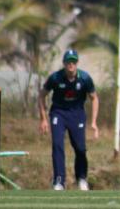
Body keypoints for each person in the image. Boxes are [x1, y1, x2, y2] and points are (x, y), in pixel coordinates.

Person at [38, 49, 100, 191]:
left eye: (73, 61)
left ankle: (81, 178)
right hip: (58, 113)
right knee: (57, 145)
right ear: (64, 63)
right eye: (68, 62)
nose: (70, 64)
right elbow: (41, 95)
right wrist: (43, 119)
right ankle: (59, 181)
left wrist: (94, 122)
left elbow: (94, 98)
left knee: (80, 148)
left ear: (77, 63)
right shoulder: (55, 78)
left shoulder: (84, 78)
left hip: (77, 114)